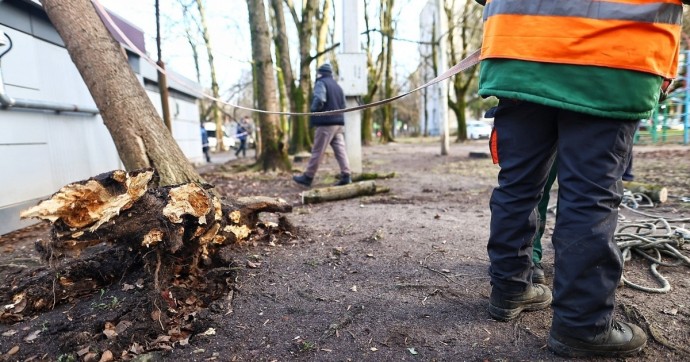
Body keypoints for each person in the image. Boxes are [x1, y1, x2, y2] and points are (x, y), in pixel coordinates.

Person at [474, 0, 686, 358]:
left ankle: (510, 288)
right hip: (611, 56)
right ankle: (581, 326)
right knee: (590, 195)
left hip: (518, 50)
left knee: (518, 184)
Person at [293, 63, 351, 187]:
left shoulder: (321, 83)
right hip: (338, 123)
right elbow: (344, 105)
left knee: (318, 150)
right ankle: (346, 175)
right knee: (340, 150)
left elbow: (319, 99)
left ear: (320, 73)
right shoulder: (337, 86)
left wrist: (314, 111)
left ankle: (308, 176)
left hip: (326, 123)